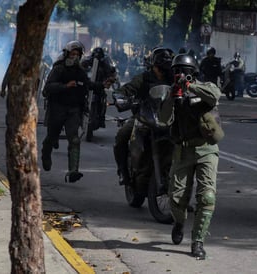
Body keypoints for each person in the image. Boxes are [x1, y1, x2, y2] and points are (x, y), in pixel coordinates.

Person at [159, 53, 222, 260]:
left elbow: (215, 96)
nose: (180, 75)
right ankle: (179, 222)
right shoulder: (172, 93)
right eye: (177, 71)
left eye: (184, 71)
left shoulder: (205, 87)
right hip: (183, 150)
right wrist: (172, 96)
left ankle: (198, 241)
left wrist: (190, 87)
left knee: (207, 196)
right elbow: (164, 119)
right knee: (176, 198)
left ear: (193, 73)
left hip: (206, 149)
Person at [41, 40, 111, 183]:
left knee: (74, 139)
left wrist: (102, 85)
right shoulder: (58, 69)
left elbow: (88, 85)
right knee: (51, 137)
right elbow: (47, 88)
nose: (75, 57)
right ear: (67, 55)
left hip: (74, 109)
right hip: (57, 108)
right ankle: (45, 153)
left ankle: (73, 170)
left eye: (77, 54)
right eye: (72, 54)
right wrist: (65, 86)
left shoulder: (80, 72)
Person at [112, 47, 174, 186]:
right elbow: (127, 89)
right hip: (144, 116)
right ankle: (122, 171)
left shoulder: (173, 79)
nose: (162, 71)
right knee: (122, 136)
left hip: (167, 117)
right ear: (153, 66)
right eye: (160, 67)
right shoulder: (144, 78)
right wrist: (120, 97)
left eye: (165, 68)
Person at [81, 47, 117, 129]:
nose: (97, 57)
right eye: (95, 55)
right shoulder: (87, 62)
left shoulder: (104, 64)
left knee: (103, 100)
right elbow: (80, 68)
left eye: (99, 55)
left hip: (99, 87)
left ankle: (101, 118)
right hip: (87, 86)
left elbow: (110, 72)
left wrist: (110, 79)